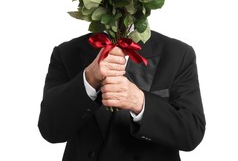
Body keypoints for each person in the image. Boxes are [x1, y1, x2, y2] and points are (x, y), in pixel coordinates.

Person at [38, 30, 205, 161]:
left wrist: (140, 102)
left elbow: (191, 133)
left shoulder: (178, 54)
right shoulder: (67, 53)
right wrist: (89, 79)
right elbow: (50, 130)